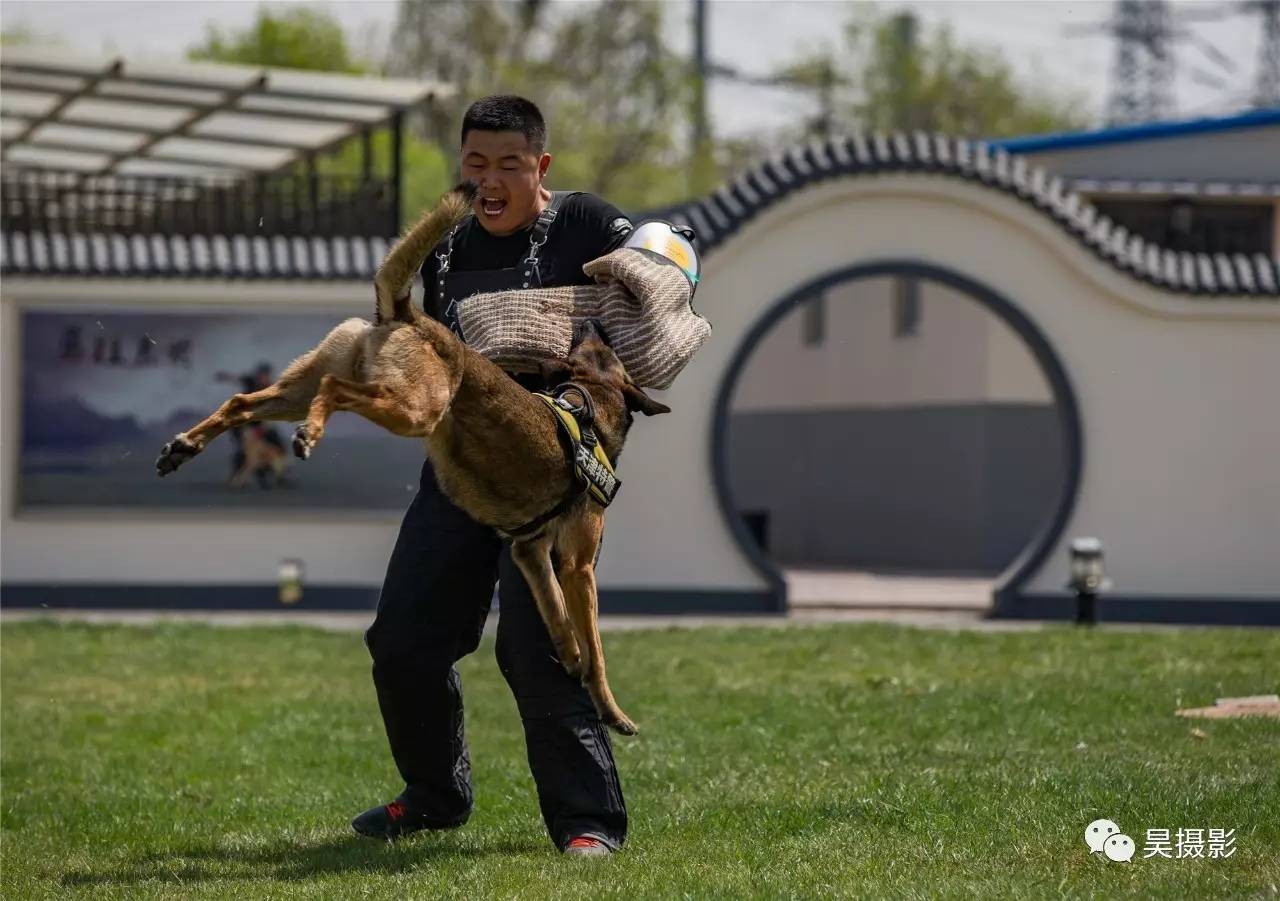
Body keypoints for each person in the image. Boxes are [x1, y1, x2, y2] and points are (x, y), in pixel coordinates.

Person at [352, 96, 634, 858]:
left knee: (537, 646)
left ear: (540, 167)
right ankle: (434, 795)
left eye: (510, 163)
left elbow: (671, 253)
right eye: (476, 163)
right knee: (404, 639)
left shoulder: (585, 224)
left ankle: (588, 823)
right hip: (460, 467)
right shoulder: (444, 251)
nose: (491, 179)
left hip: (553, 471)